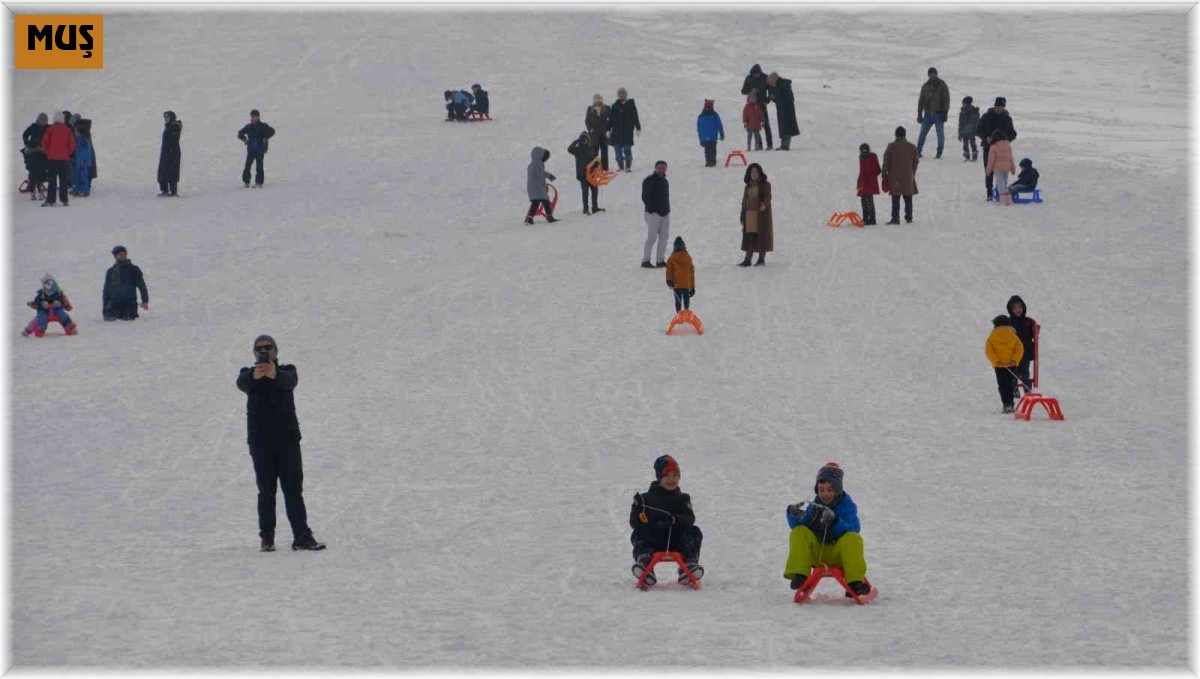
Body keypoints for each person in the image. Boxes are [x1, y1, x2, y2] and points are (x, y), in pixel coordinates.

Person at [236, 335, 325, 552]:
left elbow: (290, 381)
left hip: (287, 441)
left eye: (268, 347)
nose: (264, 351)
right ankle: (267, 538)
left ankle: (302, 536)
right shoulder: (247, 374)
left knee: (293, 489)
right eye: (260, 348)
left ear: (276, 350)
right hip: (260, 443)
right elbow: (241, 383)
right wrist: (256, 376)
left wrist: (274, 374)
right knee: (266, 491)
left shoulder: (287, 370)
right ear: (254, 353)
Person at [783, 462, 872, 597]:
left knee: (853, 538)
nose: (825, 494)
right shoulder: (813, 508)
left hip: (840, 555)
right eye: (821, 490)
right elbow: (798, 526)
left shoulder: (847, 507)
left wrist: (835, 522)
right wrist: (793, 514)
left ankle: (855, 583)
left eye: (830, 490)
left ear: (838, 490)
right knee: (799, 532)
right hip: (817, 555)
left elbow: (853, 529)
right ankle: (800, 575)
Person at [629, 455, 704, 585]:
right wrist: (636, 509)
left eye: (675, 475)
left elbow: (690, 518)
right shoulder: (646, 499)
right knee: (638, 533)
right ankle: (645, 563)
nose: (672, 479)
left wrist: (675, 519)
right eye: (667, 475)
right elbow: (635, 523)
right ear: (659, 477)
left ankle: (689, 564)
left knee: (694, 531)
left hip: (677, 541)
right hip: (653, 541)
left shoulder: (683, 498)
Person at [976, 97, 1017, 201]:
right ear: (994, 106)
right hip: (988, 148)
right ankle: (989, 193)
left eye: (1001, 107)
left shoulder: (1007, 118)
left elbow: (1013, 133)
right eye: (997, 106)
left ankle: (1002, 193)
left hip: (1003, 150)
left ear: (1004, 107)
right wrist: (986, 137)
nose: (999, 109)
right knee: (988, 170)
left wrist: (1007, 140)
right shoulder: (987, 116)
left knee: (1003, 170)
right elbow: (978, 130)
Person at [986, 315, 1024, 413]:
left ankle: (1006, 404)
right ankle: (1011, 402)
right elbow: (1020, 349)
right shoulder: (1013, 335)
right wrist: (1014, 361)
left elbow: (989, 351)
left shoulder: (992, 336)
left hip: (1000, 366)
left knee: (1003, 384)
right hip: (1011, 365)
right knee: (1011, 383)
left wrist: (996, 362)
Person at [881, 126, 919, 224]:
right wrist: (912, 171)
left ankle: (895, 218)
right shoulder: (912, 146)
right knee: (908, 197)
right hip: (908, 176)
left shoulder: (891, 146)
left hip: (894, 176)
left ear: (896, 134)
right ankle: (909, 217)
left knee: (895, 197)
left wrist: (884, 174)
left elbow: (886, 161)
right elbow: (916, 161)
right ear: (905, 134)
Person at [102, 245, 149, 321]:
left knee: (128, 321)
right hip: (114, 305)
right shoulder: (110, 271)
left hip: (129, 304)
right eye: (120, 254)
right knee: (110, 322)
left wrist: (145, 300)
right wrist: (104, 309)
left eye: (124, 254)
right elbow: (106, 291)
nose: (123, 256)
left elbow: (142, 286)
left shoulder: (133, 269)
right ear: (115, 256)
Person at [739, 162, 773, 266]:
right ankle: (747, 259)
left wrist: (764, 205)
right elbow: (744, 201)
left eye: (756, 171)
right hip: (749, 215)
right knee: (750, 237)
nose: (754, 174)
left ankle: (761, 259)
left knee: (761, 236)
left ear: (760, 172)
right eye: (752, 172)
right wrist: (742, 214)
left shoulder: (765, 184)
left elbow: (768, 197)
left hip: (761, 215)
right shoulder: (748, 186)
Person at [40, 112, 76, 207]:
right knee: (63, 180)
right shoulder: (67, 130)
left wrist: (48, 152)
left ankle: (50, 200)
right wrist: (67, 153)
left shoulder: (50, 129)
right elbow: (72, 145)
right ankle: (64, 200)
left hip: (52, 159)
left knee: (52, 180)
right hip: (64, 159)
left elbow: (44, 143)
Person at [641, 160, 671, 268]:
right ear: (655, 168)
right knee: (652, 238)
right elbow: (645, 197)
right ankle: (645, 260)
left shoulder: (665, 181)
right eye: (659, 167)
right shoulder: (649, 180)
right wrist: (652, 210)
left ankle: (660, 260)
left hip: (665, 214)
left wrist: (667, 210)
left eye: (663, 168)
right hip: (653, 214)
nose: (661, 170)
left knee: (664, 237)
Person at [916, 67, 950, 158]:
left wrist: (945, 112)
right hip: (927, 114)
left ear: (936, 74)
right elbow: (921, 100)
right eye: (931, 74)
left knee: (940, 134)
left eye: (934, 73)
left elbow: (946, 100)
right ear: (928, 75)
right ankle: (918, 151)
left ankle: (939, 152)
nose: (932, 75)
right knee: (922, 133)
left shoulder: (942, 85)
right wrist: (919, 113)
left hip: (939, 114)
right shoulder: (925, 86)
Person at [1006, 295, 1037, 395]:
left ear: (1023, 307)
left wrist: (1035, 330)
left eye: (1019, 307)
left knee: (1025, 373)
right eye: (1015, 308)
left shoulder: (1027, 322)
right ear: (1011, 310)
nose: (1018, 310)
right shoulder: (1009, 322)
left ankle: (1027, 391)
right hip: (1013, 353)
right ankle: (1014, 390)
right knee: (1013, 372)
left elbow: (1032, 334)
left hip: (1025, 353)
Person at [567, 131, 604, 215]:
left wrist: (596, 165)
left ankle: (595, 207)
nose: (584, 140)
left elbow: (596, 160)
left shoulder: (592, 148)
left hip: (592, 174)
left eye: (585, 138)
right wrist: (577, 141)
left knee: (595, 190)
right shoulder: (577, 149)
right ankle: (585, 209)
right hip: (583, 175)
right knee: (585, 192)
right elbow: (569, 149)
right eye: (582, 138)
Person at [237, 109, 275, 188]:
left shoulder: (263, 126)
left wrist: (265, 137)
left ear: (258, 117)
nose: (253, 118)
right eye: (252, 117)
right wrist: (245, 140)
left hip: (260, 150)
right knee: (247, 166)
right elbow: (240, 133)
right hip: (251, 151)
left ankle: (259, 182)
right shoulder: (248, 127)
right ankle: (246, 182)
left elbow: (272, 131)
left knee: (259, 167)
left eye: (255, 117)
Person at [740, 64, 773, 150]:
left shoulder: (765, 77)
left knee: (766, 124)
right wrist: (751, 90)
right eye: (755, 74)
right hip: (753, 105)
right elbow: (743, 91)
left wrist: (768, 100)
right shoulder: (749, 78)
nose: (756, 75)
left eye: (757, 74)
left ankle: (770, 145)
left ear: (760, 72)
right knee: (755, 125)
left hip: (762, 104)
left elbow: (772, 90)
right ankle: (759, 145)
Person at [609, 87, 641, 172]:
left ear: (626, 95)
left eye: (623, 94)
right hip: (616, 132)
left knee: (627, 149)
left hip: (627, 132)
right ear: (618, 95)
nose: (621, 95)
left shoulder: (631, 105)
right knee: (617, 151)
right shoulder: (614, 106)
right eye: (620, 94)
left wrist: (638, 128)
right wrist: (608, 129)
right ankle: (620, 166)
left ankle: (628, 166)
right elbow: (611, 119)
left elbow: (635, 117)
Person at [524, 146, 558, 224]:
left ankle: (530, 218)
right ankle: (550, 217)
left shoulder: (531, 164)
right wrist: (550, 176)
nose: (545, 159)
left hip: (532, 187)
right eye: (545, 156)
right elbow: (541, 174)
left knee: (535, 202)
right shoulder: (538, 163)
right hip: (538, 187)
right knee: (545, 201)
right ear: (540, 155)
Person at [766, 72, 800, 150]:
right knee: (782, 127)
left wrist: (777, 98)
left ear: (774, 79)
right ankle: (783, 145)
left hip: (788, 109)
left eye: (770, 82)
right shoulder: (773, 86)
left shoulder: (784, 84)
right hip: (780, 109)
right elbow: (773, 96)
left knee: (787, 127)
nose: (770, 84)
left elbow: (789, 97)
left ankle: (785, 146)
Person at [21, 113, 48, 200]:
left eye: (45, 120)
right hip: (32, 153)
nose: (43, 121)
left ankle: (40, 192)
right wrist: (28, 143)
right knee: (33, 173)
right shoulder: (33, 127)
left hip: (42, 154)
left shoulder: (47, 128)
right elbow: (25, 135)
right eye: (41, 119)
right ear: (38, 120)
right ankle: (32, 192)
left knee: (41, 172)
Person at [985, 129, 1016, 205]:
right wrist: (1013, 168)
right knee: (1004, 183)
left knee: (1000, 184)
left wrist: (988, 170)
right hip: (1007, 168)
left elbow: (991, 160)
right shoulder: (1008, 145)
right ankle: (1006, 199)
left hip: (998, 168)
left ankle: (1005, 201)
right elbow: (1010, 158)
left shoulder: (993, 147)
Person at [665, 236, 695, 312]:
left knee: (678, 300)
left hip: (676, 284)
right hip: (686, 284)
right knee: (686, 298)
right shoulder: (689, 258)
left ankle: (679, 313)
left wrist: (669, 280)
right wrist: (693, 287)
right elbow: (692, 273)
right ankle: (686, 311)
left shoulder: (671, 259)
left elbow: (669, 271)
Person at [157, 111, 182, 197]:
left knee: (172, 172)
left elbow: (174, 138)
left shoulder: (175, 126)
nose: (165, 119)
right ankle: (164, 190)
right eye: (165, 118)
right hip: (165, 153)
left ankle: (173, 191)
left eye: (167, 117)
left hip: (173, 153)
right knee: (163, 171)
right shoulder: (168, 127)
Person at [584, 94, 612, 172]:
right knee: (594, 151)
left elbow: (611, 119)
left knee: (604, 150)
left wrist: (609, 130)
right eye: (596, 101)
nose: (598, 102)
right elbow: (587, 121)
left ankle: (605, 168)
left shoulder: (607, 108)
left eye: (599, 101)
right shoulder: (590, 109)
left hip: (604, 133)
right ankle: (594, 167)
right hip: (594, 134)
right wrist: (590, 129)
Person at [856, 143, 881, 226]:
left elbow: (862, 171)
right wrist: (873, 176)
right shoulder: (873, 156)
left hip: (863, 182)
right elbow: (878, 170)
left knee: (864, 201)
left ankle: (867, 218)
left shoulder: (861, 157)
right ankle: (870, 218)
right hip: (870, 182)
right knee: (868, 200)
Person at [696, 99, 725, 167]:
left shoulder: (700, 116)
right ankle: (712, 161)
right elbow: (719, 124)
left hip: (704, 137)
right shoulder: (715, 115)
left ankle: (708, 161)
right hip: (712, 137)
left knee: (707, 149)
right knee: (713, 149)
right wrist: (722, 133)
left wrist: (700, 138)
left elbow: (698, 128)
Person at [69, 121, 93, 197]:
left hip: (83, 162)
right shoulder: (80, 140)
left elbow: (85, 153)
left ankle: (85, 190)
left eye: (76, 131)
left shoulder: (83, 141)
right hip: (80, 162)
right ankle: (77, 189)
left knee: (83, 176)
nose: (75, 133)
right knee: (78, 176)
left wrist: (84, 161)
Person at [958, 96, 980, 161]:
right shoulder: (962, 113)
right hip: (964, 132)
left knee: (973, 143)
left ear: (968, 104)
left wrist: (975, 130)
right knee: (965, 145)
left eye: (964, 103)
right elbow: (960, 124)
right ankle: (967, 156)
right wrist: (959, 133)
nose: (963, 105)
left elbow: (977, 122)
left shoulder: (974, 112)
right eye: (962, 104)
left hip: (971, 132)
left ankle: (974, 156)